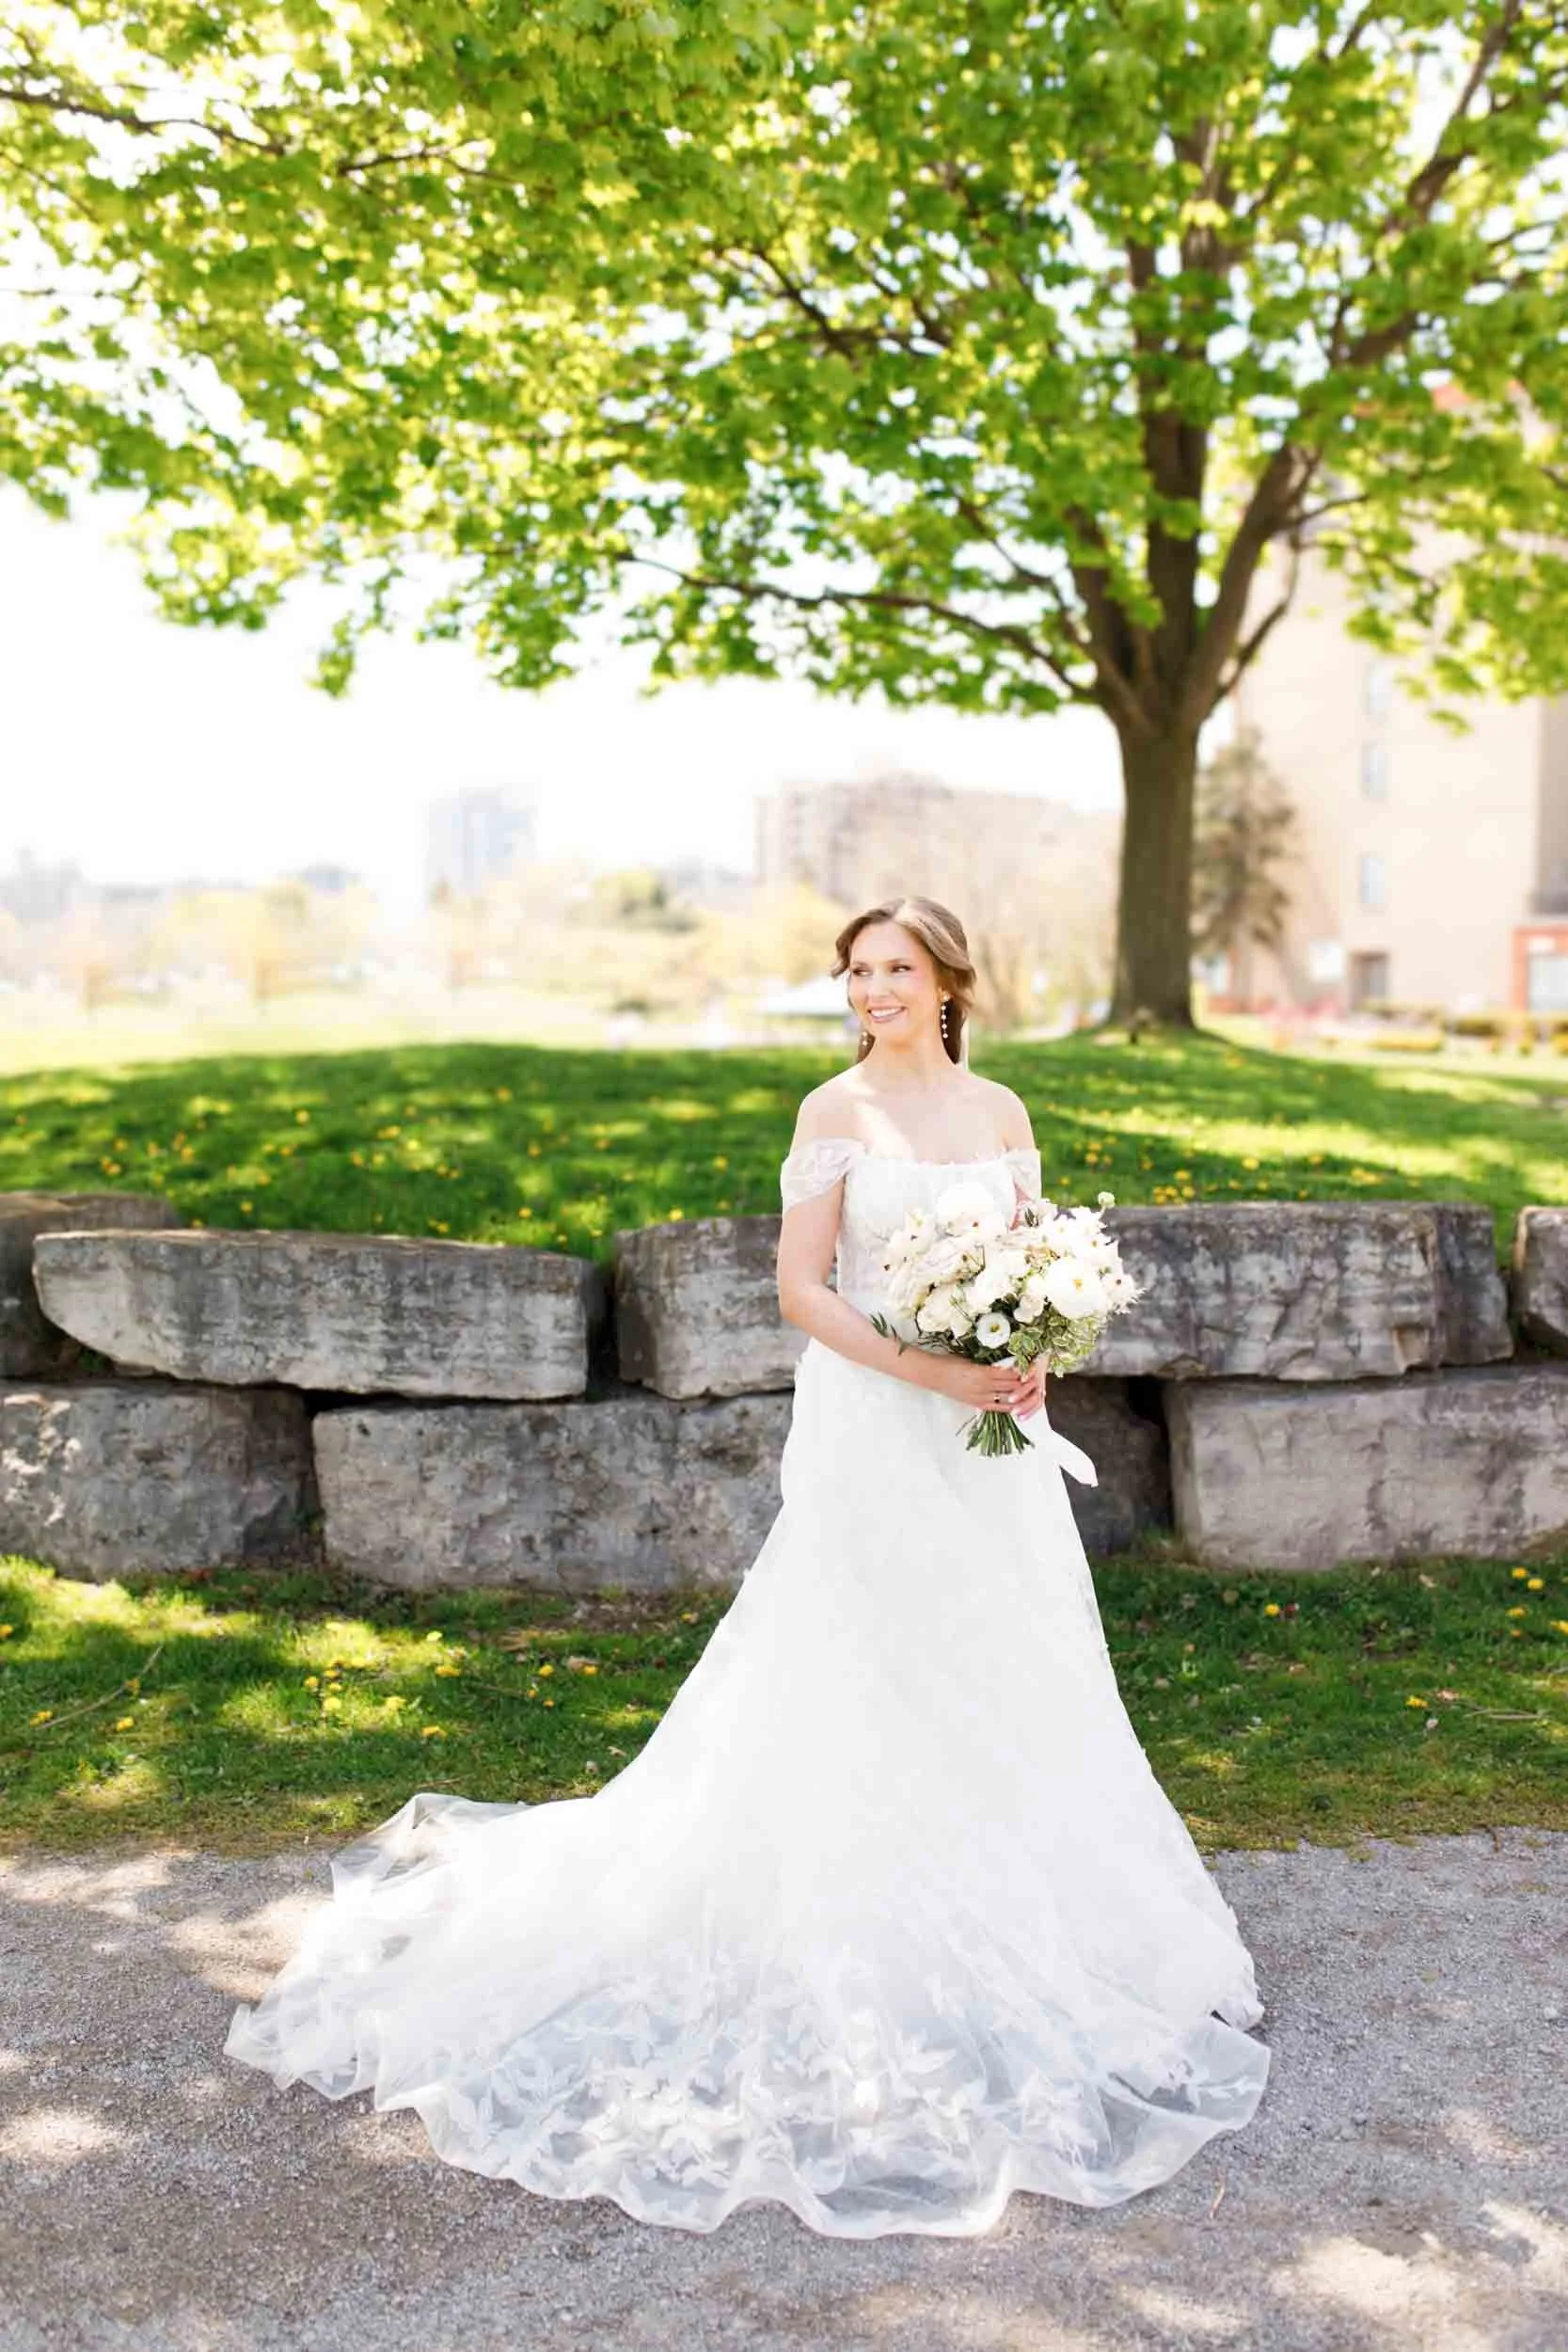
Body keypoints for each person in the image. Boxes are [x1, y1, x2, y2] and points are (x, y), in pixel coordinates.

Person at [225, 893, 1271, 2238]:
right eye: (855, 971)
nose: (871, 989)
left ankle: (1024, 1894)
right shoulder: (830, 1111)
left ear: (950, 977)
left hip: (987, 1426)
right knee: (863, 1644)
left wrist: (1028, 1355)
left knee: (998, 1644)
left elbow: (1029, 1261)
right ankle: (848, 1904)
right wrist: (929, 1364)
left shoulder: (1002, 1111)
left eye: (895, 968)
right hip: (875, 1415)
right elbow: (801, 1290)